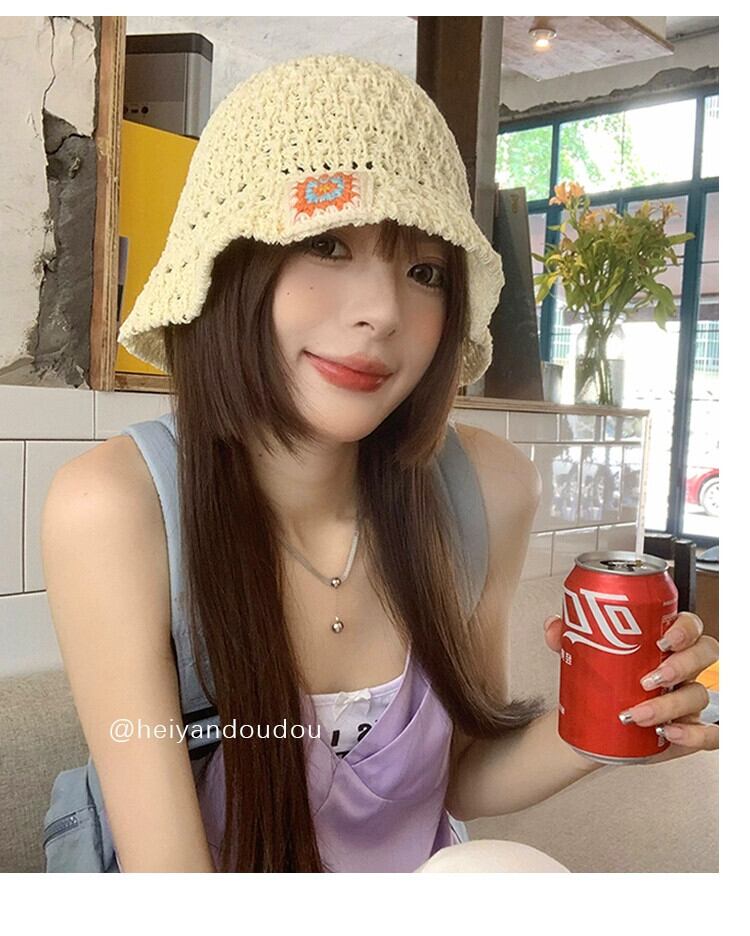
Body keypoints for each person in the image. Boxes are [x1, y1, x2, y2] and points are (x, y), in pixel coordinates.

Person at [41, 53, 719, 874]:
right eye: (327, 243)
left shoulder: (486, 488)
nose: (383, 313)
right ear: (226, 266)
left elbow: (458, 778)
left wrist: (611, 720)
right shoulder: (113, 508)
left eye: (425, 271)